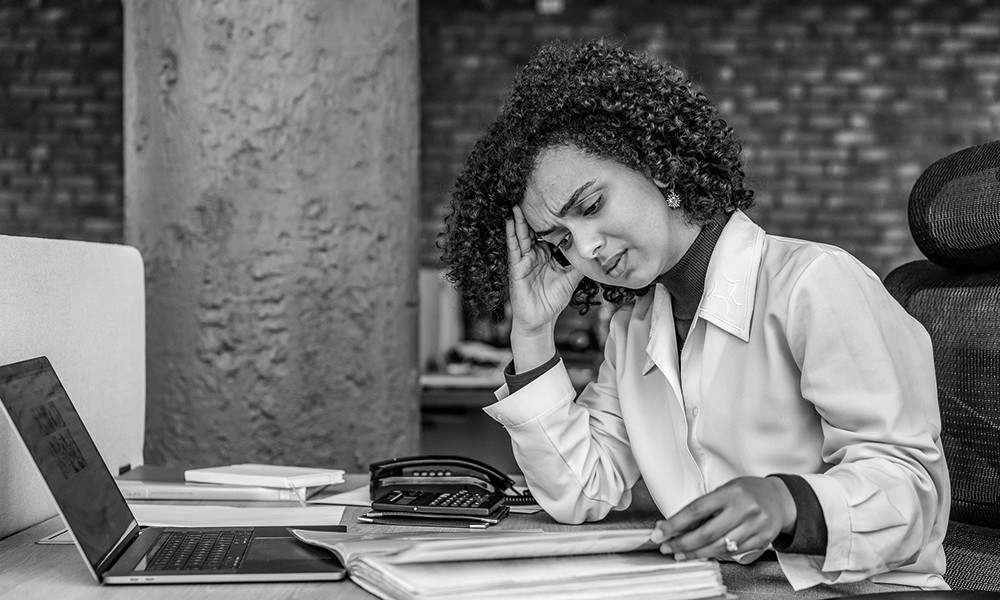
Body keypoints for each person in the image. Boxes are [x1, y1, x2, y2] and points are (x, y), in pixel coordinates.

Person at [439, 38, 950, 597]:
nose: (585, 248)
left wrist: (785, 502)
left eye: (590, 207)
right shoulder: (634, 329)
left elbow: (912, 491)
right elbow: (582, 494)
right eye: (559, 239)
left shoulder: (813, 282)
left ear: (657, 166)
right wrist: (533, 332)